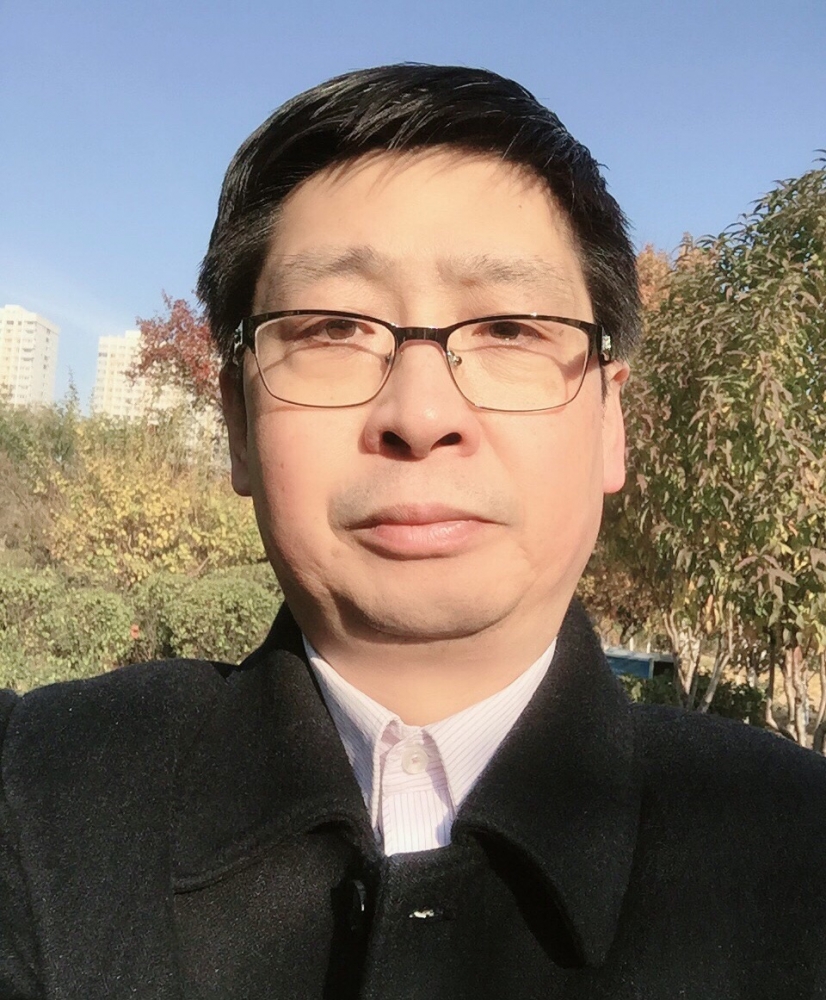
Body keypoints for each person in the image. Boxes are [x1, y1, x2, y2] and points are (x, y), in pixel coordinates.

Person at [1, 64, 825, 1000]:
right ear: (236, 423)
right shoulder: (42, 796)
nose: (421, 413)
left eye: (509, 327)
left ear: (610, 421)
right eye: (332, 327)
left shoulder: (792, 853)